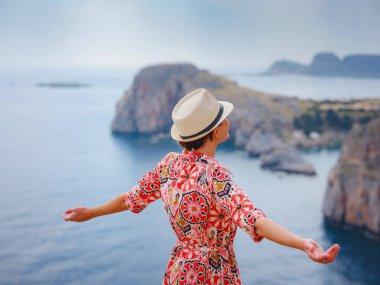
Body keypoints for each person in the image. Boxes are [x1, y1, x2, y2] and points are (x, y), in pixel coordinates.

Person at [62, 88, 340, 284]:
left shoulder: (168, 166)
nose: (227, 120)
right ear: (215, 132)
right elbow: (255, 221)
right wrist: (303, 244)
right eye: (222, 118)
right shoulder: (217, 176)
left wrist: (92, 212)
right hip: (214, 274)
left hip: (180, 271)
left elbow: (129, 199)